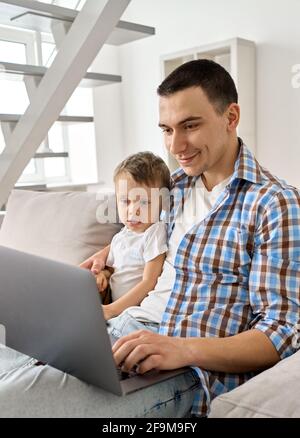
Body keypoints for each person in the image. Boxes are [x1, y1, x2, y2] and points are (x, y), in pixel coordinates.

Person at [0, 59, 299, 418]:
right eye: (167, 130)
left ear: (231, 117)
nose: (176, 145)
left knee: (15, 403)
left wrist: (183, 349)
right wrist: (104, 260)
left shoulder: (274, 203)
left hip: (186, 373)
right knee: (11, 360)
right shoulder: (171, 190)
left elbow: (281, 332)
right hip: (126, 335)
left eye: (190, 126)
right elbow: (136, 237)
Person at [95, 152, 170, 337]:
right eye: (125, 201)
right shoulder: (121, 236)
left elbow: (149, 282)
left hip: (130, 315)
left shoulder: (154, 232)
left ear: (162, 203)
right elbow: (114, 269)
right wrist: (104, 275)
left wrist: (111, 310)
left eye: (144, 202)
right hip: (113, 311)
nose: (133, 210)